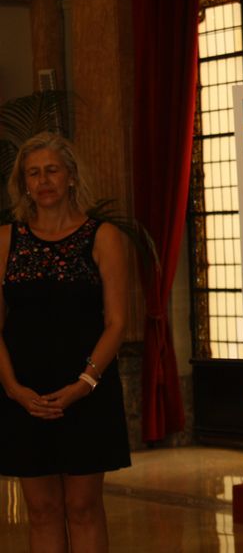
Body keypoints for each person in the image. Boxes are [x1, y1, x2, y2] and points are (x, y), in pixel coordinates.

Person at [0, 132, 131, 552]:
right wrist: (13, 388)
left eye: (52, 170)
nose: (43, 181)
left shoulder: (103, 236)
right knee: (40, 510)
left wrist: (84, 383)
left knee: (83, 507)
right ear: (23, 183)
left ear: (71, 176)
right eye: (33, 173)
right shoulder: (5, 240)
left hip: (88, 387)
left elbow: (117, 323)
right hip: (25, 393)